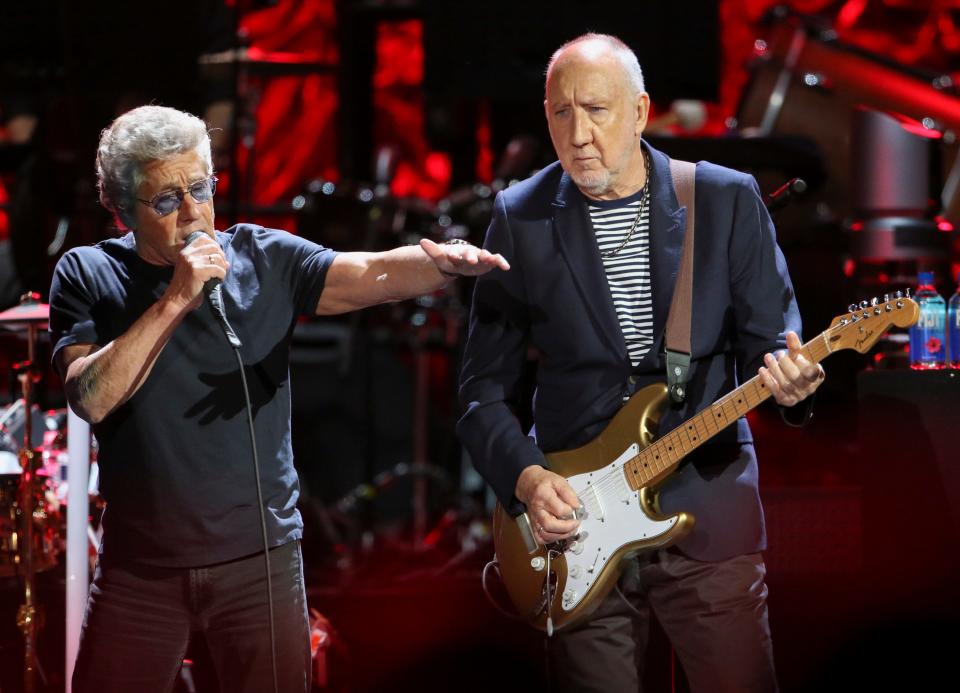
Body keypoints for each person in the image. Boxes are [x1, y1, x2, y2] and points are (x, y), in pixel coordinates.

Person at [49, 104, 508, 693]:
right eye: (167, 201)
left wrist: (440, 263)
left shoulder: (262, 257)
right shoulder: (89, 273)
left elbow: (364, 274)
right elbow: (90, 396)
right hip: (140, 570)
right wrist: (174, 300)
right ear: (121, 211)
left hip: (259, 565)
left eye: (200, 188)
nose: (194, 213)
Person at [456, 34, 824, 692]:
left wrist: (794, 384)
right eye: (561, 112)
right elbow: (482, 392)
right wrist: (530, 480)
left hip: (706, 516)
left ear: (641, 111)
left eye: (596, 109)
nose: (579, 133)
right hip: (575, 530)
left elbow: (776, 345)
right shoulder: (519, 216)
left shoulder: (724, 199)